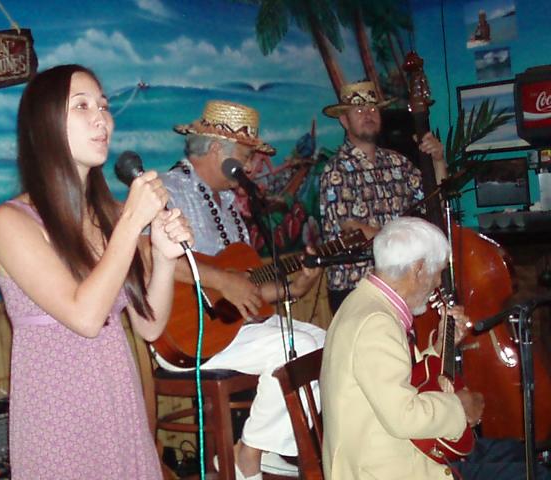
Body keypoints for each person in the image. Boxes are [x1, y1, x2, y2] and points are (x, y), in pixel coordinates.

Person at [0, 64, 193, 479]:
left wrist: (164, 258)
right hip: (59, 417)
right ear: (43, 125)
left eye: (103, 105)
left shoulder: (111, 216)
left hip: (118, 402)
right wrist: (131, 223)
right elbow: (84, 316)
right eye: (81, 106)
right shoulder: (9, 222)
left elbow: (149, 326)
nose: (102, 118)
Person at [153, 100, 326, 480]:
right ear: (217, 149)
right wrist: (219, 279)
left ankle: (257, 448)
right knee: (296, 347)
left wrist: (294, 288)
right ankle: (251, 453)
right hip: (187, 335)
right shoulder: (166, 190)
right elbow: (148, 261)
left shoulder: (230, 204)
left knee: (326, 342)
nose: (249, 168)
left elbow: (246, 290)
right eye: (245, 158)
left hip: (234, 329)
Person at [320, 216, 551, 479]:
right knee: (534, 474)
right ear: (418, 269)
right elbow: (403, 417)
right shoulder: (376, 324)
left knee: (517, 453)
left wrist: (440, 347)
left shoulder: (365, 303)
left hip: (401, 449)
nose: (439, 283)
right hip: (385, 469)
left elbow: (398, 380)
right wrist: (459, 406)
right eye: (438, 272)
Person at [319, 81, 447, 313]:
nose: (368, 115)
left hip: (401, 285)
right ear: (344, 120)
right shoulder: (336, 170)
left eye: (372, 109)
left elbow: (435, 201)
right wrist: (407, 249)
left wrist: (438, 160)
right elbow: (351, 228)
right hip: (356, 287)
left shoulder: (398, 162)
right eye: (359, 110)